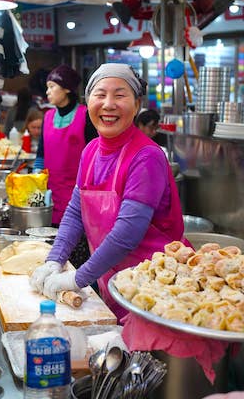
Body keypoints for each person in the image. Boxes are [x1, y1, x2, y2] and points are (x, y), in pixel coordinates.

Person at [29, 63, 187, 324]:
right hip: (113, 284)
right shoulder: (91, 151)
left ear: (136, 105)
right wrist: (54, 260)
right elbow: (75, 212)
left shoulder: (146, 156)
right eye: (100, 94)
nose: (108, 104)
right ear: (88, 100)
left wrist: (76, 278)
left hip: (156, 293)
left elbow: (127, 235)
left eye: (120, 95)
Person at [33, 64, 98, 226]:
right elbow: (41, 154)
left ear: (67, 89)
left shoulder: (86, 115)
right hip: (50, 195)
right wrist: (35, 178)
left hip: (79, 195)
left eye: (52, 86)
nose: (47, 91)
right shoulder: (47, 117)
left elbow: (95, 157)